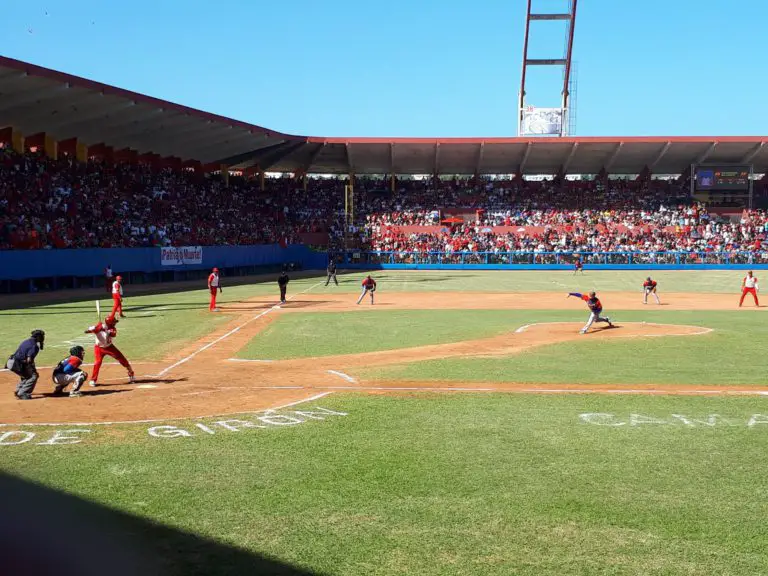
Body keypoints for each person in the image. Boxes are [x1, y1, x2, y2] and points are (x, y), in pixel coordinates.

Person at [85, 315, 134, 387]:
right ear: (110, 323)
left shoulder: (112, 328)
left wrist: (105, 330)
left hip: (110, 347)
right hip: (99, 348)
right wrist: (93, 328)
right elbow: (87, 331)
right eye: (113, 322)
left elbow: (113, 334)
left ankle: (131, 373)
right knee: (97, 363)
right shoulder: (100, 326)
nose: (115, 323)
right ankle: (93, 380)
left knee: (122, 359)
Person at [6, 330, 45, 400]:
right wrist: (33, 370)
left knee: (27, 376)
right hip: (16, 364)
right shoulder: (34, 346)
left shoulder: (26, 341)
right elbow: (29, 360)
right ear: (38, 337)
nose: (43, 337)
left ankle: (18, 390)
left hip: (11, 362)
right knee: (33, 376)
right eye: (42, 336)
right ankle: (23, 393)